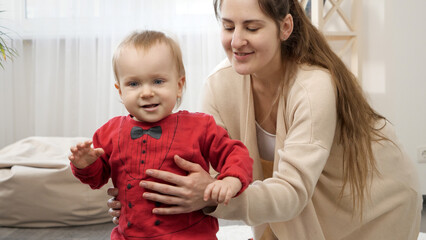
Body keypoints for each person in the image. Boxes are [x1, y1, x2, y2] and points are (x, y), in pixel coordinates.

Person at [106, 1, 422, 239]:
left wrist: (203, 196)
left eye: (252, 28)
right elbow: (207, 173)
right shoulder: (220, 85)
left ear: (285, 27)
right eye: (229, 27)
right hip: (295, 211)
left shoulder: (313, 87)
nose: (237, 41)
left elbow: (290, 193)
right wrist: (143, 197)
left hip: (373, 205)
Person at [68, 30, 253, 240]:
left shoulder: (200, 126)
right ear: (120, 91)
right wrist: (84, 164)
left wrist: (230, 181)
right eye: (134, 84)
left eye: (157, 81)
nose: (146, 92)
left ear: (179, 86)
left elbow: (236, 154)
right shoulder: (109, 132)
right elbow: (97, 178)